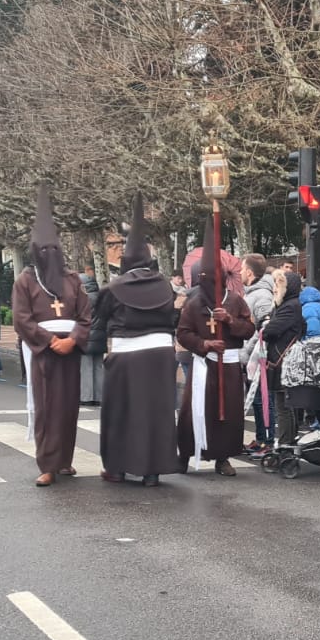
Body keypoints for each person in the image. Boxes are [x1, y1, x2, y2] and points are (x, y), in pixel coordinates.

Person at [94, 197, 181, 486]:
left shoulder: (114, 287)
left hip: (126, 355)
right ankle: (152, 471)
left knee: (121, 411)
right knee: (156, 411)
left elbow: (100, 320)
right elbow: (171, 317)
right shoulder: (164, 285)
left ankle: (117, 468)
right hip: (160, 355)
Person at [11, 186, 93, 487]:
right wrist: (49, 341)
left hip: (69, 349)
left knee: (68, 407)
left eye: (53, 250)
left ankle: (65, 460)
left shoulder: (72, 280)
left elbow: (85, 314)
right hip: (44, 351)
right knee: (46, 407)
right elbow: (22, 318)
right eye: (44, 250)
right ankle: (47, 463)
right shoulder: (25, 281)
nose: (49, 255)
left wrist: (72, 339)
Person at [177, 220, 256, 476]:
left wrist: (230, 321)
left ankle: (222, 457)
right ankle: (186, 453)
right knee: (193, 411)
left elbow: (249, 329)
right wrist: (205, 344)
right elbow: (183, 333)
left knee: (227, 413)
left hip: (229, 367)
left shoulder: (235, 301)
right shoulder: (193, 302)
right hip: (204, 364)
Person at [261, 269, 307, 444]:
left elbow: (269, 331)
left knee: (284, 407)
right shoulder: (287, 305)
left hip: (283, 363)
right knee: (285, 406)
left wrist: (266, 325)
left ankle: (285, 445)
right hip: (282, 361)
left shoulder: (289, 306)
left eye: (278, 285)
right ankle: (286, 443)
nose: (274, 288)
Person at [242, 255, 276, 450]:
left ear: (249, 272)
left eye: (241, 268)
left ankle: (269, 441)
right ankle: (260, 437)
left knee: (263, 398)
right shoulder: (252, 293)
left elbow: (264, 326)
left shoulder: (261, 295)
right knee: (256, 399)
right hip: (252, 356)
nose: (239, 273)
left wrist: (247, 350)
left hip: (258, 355)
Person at [78, 267, 105, 405]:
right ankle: (99, 396)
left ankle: (86, 396)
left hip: (85, 337)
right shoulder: (101, 299)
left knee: (86, 367)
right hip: (100, 337)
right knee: (98, 367)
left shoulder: (83, 300)